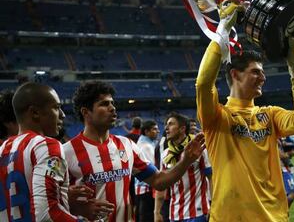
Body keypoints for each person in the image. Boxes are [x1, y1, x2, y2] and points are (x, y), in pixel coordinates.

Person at [196, 2, 294, 221]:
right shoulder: (216, 117)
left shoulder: (270, 115)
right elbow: (204, 83)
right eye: (255, 72)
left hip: (273, 218)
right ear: (235, 74)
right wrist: (222, 29)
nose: (263, 77)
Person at [63, 81, 206, 222]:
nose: (112, 108)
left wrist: (186, 160)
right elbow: (47, 202)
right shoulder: (66, 152)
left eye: (112, 103)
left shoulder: (127, 145)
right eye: (104, 104)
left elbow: (158, 181)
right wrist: (76, 207)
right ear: (86, 112)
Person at [0, 82, 82, 221]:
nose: (62, 115)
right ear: (35, 113)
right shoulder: (46, 145)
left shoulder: (3, 149)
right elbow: (46, 215)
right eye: (56, 108)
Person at [154, 112, 212, 222]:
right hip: (174, 214)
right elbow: (162, 184)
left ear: (182, 129)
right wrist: (156, 211)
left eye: (171, 124)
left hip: (198, 212)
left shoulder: (198, 149)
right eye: (166, 124)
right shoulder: (165, 154)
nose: (166, 128)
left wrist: (213, 204)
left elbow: (211, 177)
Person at [134, 120, 160, 222]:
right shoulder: (146, 146)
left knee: (142, 215)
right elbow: (152, 169)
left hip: (141, 187)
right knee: (147, 216)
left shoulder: (142, 143)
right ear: (146, 131)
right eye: (154, 129)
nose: (157, 131)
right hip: (146, 187)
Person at [279, 135, 294, 208]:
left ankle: (283, 213)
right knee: (293, 194)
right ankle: (282, 212)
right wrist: (289, 154)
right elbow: (280, 154)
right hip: (282, 167)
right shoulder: (275, 138)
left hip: (286, 167)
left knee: (290, 194)